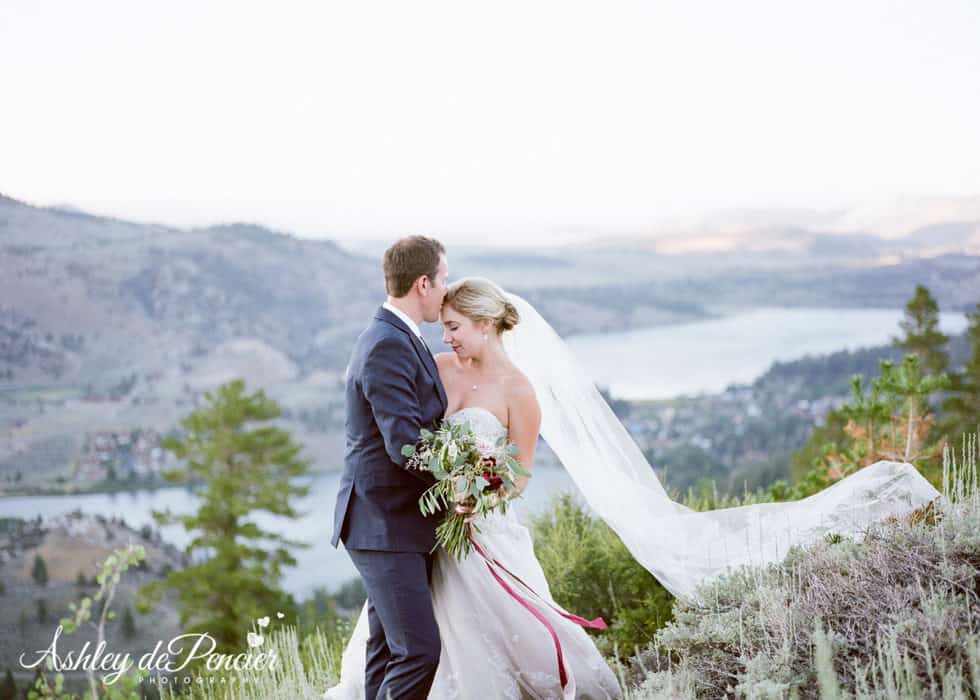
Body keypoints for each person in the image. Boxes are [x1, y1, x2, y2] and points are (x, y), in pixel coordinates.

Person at [327, 276, 623, 699]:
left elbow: (519, 476)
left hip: (481, 528)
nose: (446, 338)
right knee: (414, 632)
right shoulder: (438, 368)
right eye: (443, 327)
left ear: (485, 324)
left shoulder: (519, 391)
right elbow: (399, 418)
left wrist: (479, 495)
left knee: (499, 630)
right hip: (423, 525)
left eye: (454, 327)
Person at [330, 235, 450, 700]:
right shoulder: (386, 344)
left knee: (385, 652)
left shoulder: (399, 336)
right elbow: (405, 444)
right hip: (383, 524)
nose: (446, 289)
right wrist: (457, 485)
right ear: (423, 283)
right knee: (420, 651)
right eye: (443, 279)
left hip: (396, 522)